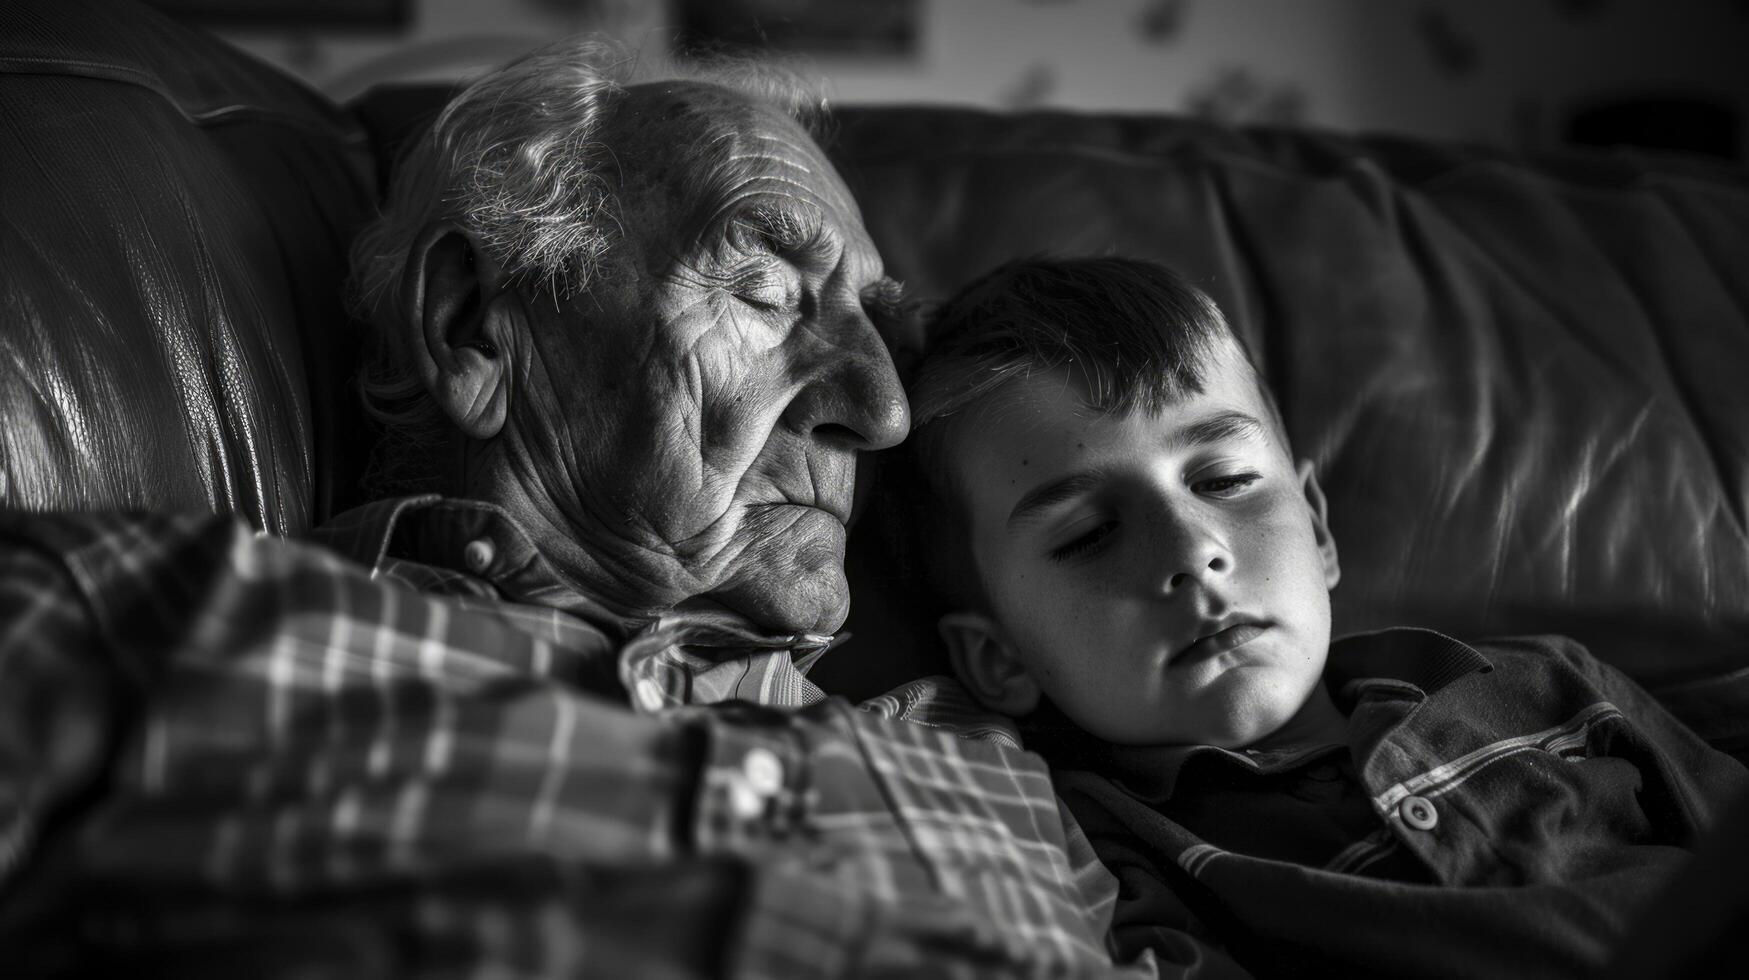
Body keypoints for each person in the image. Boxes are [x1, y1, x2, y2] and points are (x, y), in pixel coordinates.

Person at [0, 40, 1133, 978]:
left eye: (884, 334)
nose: (882, 409)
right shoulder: (148, 625)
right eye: (767, 293)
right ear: (474, 331)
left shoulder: (1007, 779)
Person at [897, 255, 1749, 978]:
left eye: (1223, 480)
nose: (1191, 552)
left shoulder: (1547, 682)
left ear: (1316, 525)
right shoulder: (1103, 848)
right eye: (1087, 535)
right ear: (998, 660)